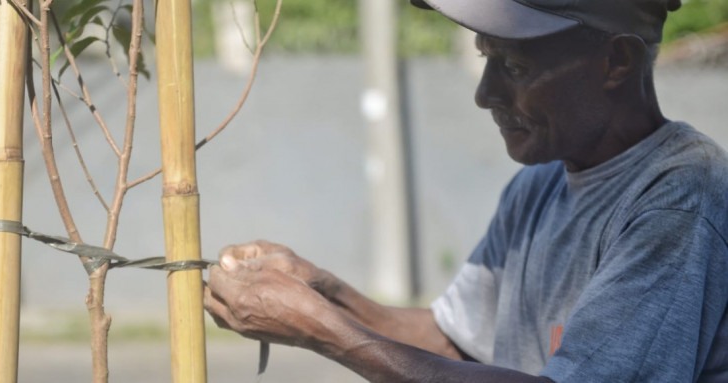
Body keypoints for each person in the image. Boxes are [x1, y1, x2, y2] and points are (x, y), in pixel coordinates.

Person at [203, 0, 728, 381]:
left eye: (516, 66)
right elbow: (454, 341)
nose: (485, 94)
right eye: (487, 59)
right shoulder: (538, 185)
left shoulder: (679, 199)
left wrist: (325, 332)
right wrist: (321, 290)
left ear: (617, 61)